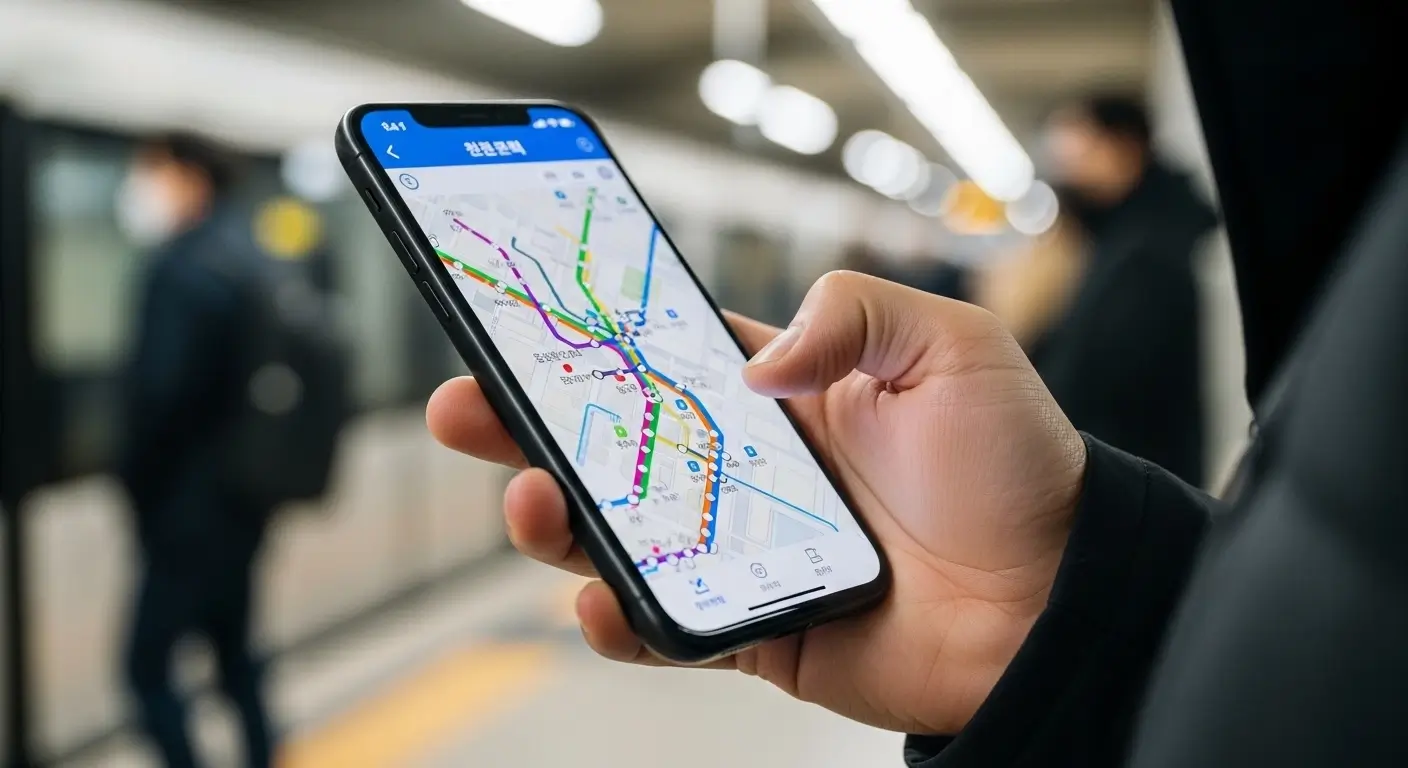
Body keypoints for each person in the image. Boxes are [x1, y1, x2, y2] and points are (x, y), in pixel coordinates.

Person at [424, 0, 1408, 764]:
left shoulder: (1157, 260)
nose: (1058, 161)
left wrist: (1067, 595)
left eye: (1071, 141)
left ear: (1120, 145)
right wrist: (1052, 607)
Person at [116, 134, 275, 768]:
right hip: (243, 501)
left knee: (144, 668)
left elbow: (162, 396)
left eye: (151, 173)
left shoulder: (182, 269)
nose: (140, 190)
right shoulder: (249, 257)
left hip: (186, 511)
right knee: (234, 653)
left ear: (191, 179)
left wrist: (135, 486)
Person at [1028, 95, 1216, 487]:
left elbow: (1095, 378)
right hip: (1135, 478)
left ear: (1123, 147)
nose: (1066, 166)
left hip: (1133, 483)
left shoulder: (1149, 251)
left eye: (1080, 147)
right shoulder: (1125, 236)